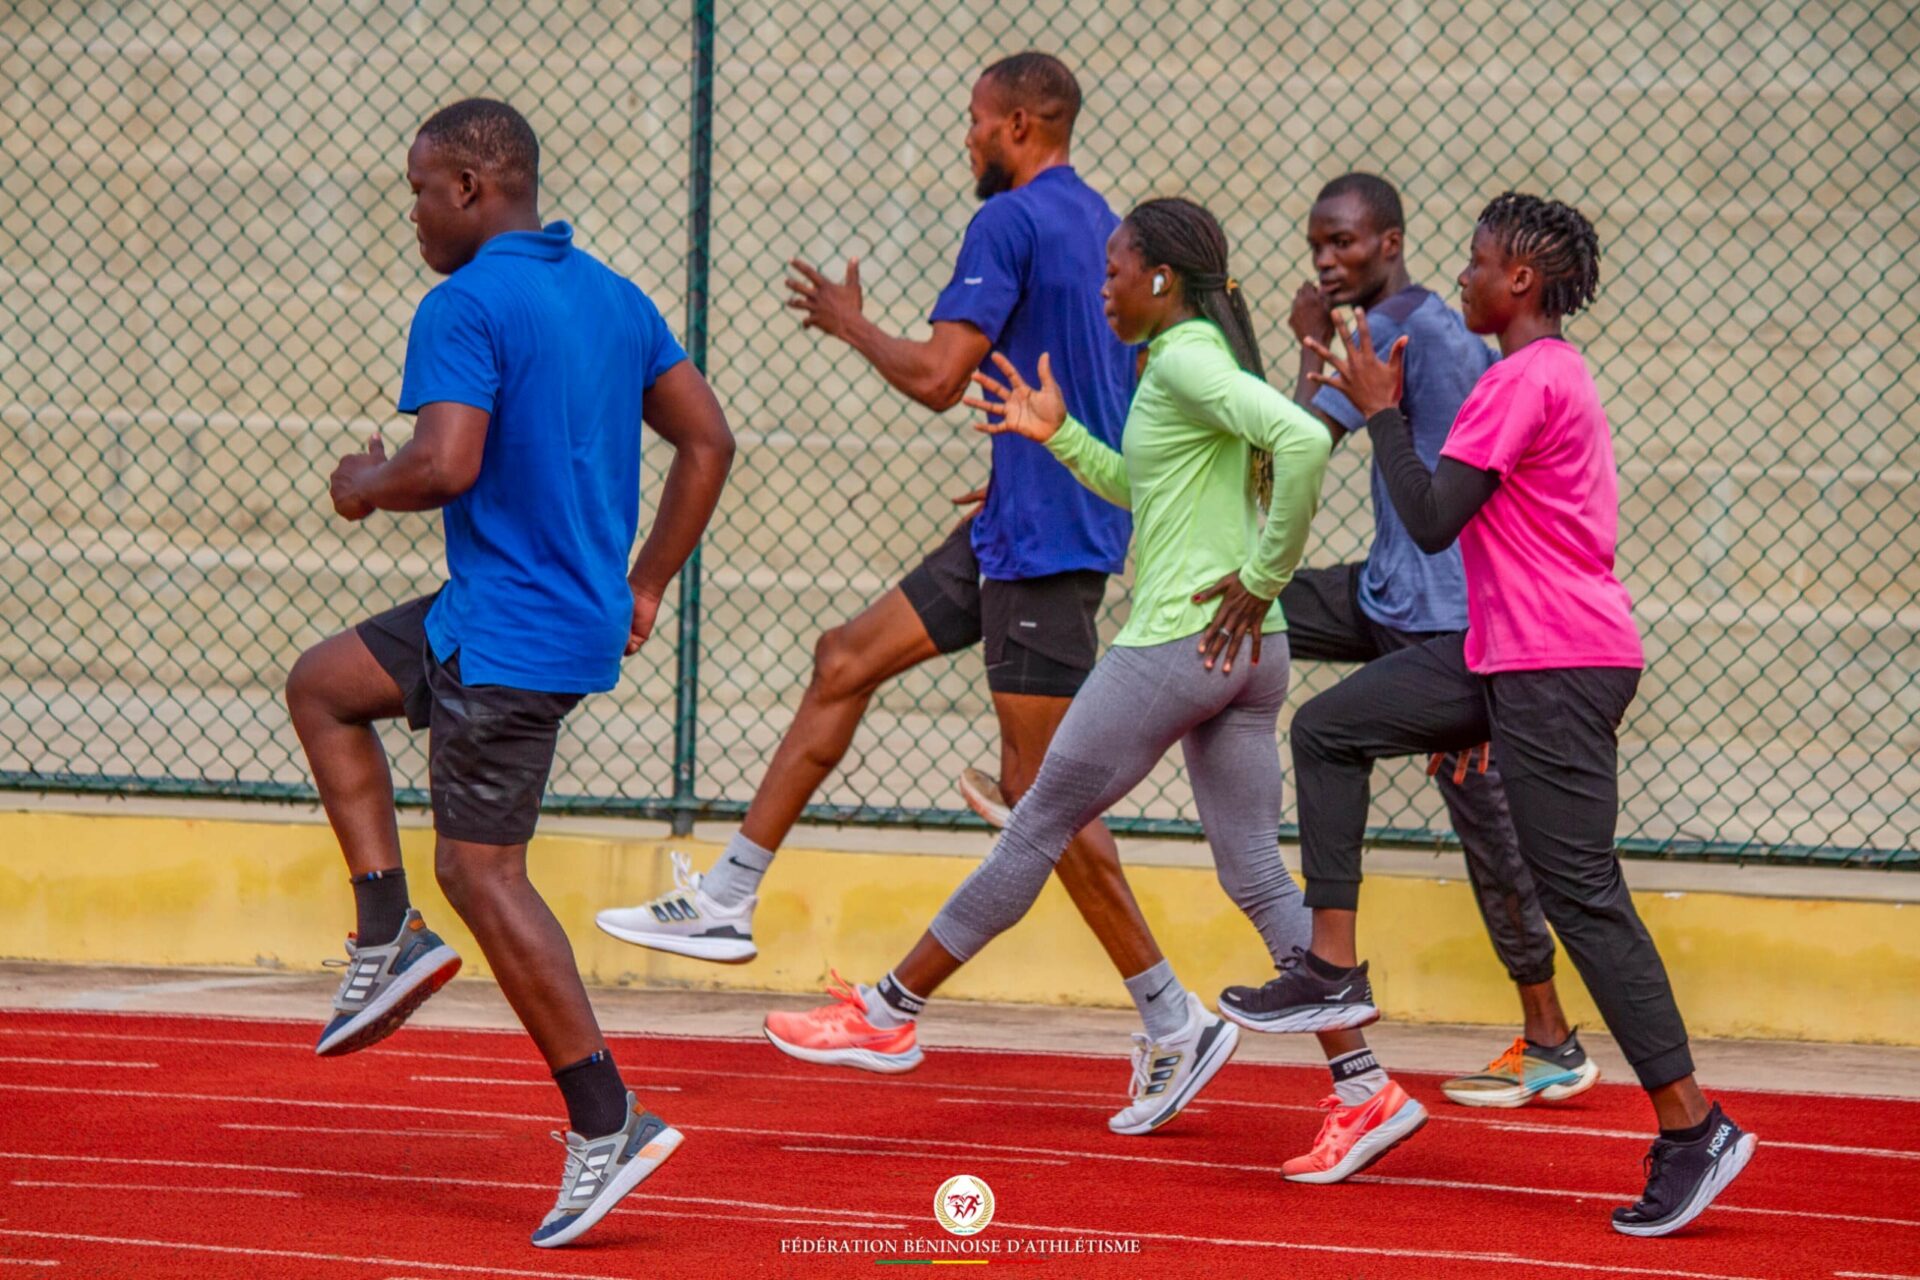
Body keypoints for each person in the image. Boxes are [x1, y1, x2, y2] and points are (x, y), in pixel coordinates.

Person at [592, 53, 1214, 1130]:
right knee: (845, 655)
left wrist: (850, 324)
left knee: (1041, 796)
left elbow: (938, 378)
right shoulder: (1095, 219)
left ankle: (1171, 1017)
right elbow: (1100, 378)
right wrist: (1037, 465)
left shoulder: (1011, 223)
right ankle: (729, 895)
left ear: (1020, 122)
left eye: (974, 122)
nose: (964, 137)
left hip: (1042, 544)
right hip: (1019, 520)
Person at [765, 198, 1429, 1180]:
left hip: (1181, 644)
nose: (1102, 286)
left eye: (1113, 271)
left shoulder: (1193, 356)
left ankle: (889, 1010)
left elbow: (1298, 440)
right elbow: (1146, 486)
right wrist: (1059, 434)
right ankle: (1365, 1086)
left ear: (1159, 277)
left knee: (1036, 822)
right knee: (1252, 875)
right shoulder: (1182, 361)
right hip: (1248, 657)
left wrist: (1265, 575)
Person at [1238, 191, 1756, 1233]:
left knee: (1584, 895)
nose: (1464, 276)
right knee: (1329, 728)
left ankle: (1693, 1125)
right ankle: (1332, 969)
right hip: (1506, 657)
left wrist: (1383, 407)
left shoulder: (1529, 378)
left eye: (1477, 265)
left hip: (1560, 666)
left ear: (1521, 281)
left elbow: (1431, 520)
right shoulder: (1532, 376)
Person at [283, 99, 735, 1248]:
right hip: (522, 615)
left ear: (476, 190)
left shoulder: (465, 300)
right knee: (323, 683)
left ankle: (608, 1118)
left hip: (510, 636)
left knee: (487, 873)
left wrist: (360, 482)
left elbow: (445, 462)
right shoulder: (614, 296)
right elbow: (710, 440)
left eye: (422, 191)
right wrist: (645, 583)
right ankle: (386, 925)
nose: (417, 214)